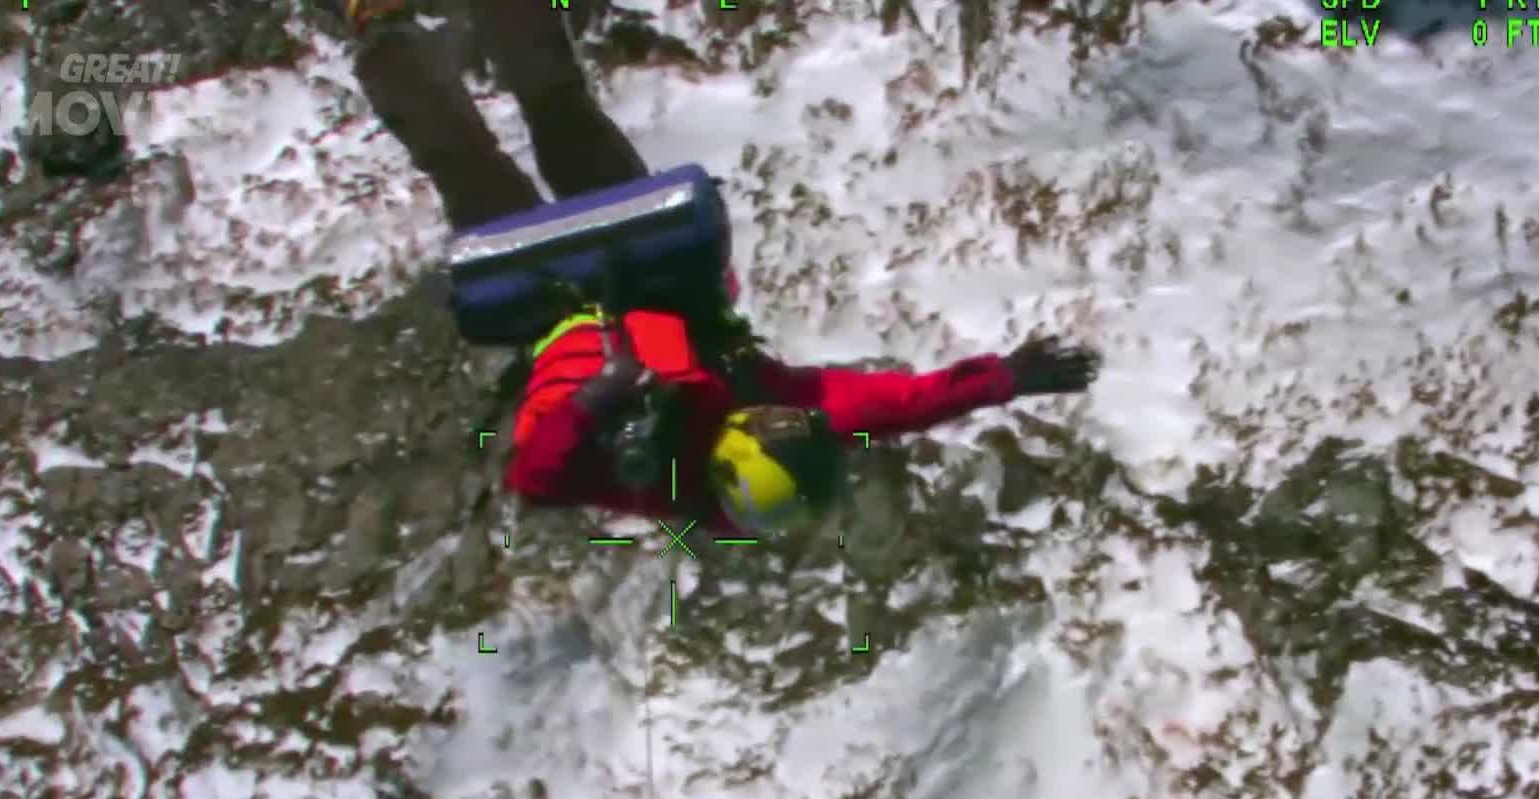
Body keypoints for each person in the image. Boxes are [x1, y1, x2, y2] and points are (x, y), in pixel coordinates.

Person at [345, 0, 1101, 533]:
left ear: (741, 451)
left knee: (468, 153)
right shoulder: (778, 416)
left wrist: (597, 404)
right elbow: (894, 405)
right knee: (558, 109)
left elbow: (538, 479)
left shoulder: (656, 478)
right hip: (646, 266)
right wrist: (1003, 379)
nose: (785, 409)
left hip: (549, 297)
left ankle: (380, 28)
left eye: (771, 424)